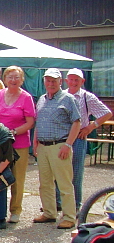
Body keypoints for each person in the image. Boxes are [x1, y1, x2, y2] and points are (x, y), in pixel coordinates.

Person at [33, 68, 80, 229]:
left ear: (60, 82)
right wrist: (35, 143)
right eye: (48, 80)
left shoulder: (68, 99)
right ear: (44, 81)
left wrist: (68, 144)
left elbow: (76, 122)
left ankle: (69, 216)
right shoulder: (41, 99)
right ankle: (49, 213)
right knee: (45, 183)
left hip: (60, 145)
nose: (51, 83)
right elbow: (39, 122)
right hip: (43, 145)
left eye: (54, 80)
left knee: (64, 183)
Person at [61, 68, 112, 211]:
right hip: (60, 138)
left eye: (76, 80)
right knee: (59, 172)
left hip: (77, 138)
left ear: (82, 81)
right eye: (71, 79)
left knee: (76, 172)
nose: (73, 82)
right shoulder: (61, 95)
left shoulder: (86, 96)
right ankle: (59, 203)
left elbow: (106, 113)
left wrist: (91, 127)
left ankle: (76, 205)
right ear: (66, 81)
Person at [0, 66, 36, 223]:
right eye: (10, 77)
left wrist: (14, 132)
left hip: (19, 143)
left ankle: (16, 210)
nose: (13, 80)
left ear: (22, 80)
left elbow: (30, 122)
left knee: (17, 177)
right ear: (4, 79)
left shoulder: (26, 97)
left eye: (17, 77)